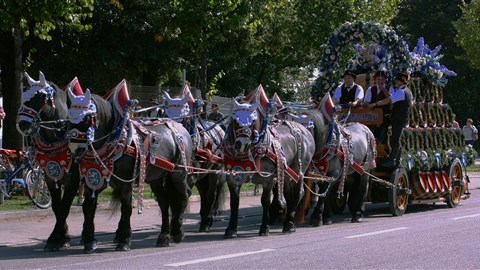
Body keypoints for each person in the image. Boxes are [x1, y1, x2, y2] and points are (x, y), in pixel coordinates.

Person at [373, 71, 412, 167]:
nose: (396, 82)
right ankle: (397, 160)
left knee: (395, 139)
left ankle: (392, 159)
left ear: (401, 82)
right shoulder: (407, 91)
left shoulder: (401, 91)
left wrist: (375, 104)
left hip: (398, 118)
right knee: (395, 138)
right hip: (400, 117)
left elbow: (389, 100)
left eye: (397, 81)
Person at [364, 71, 394, 143]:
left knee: (385, 121)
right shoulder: (371, 89)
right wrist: (367, 105)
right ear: (375, 80)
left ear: (385, 80)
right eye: (378, 79)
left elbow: (391, 99)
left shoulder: (390, 88)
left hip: (385, 112)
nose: (380, 81)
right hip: (372, 112)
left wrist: (383, 90)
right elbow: (366, 101)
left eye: (382, 79)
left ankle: (379, 140)